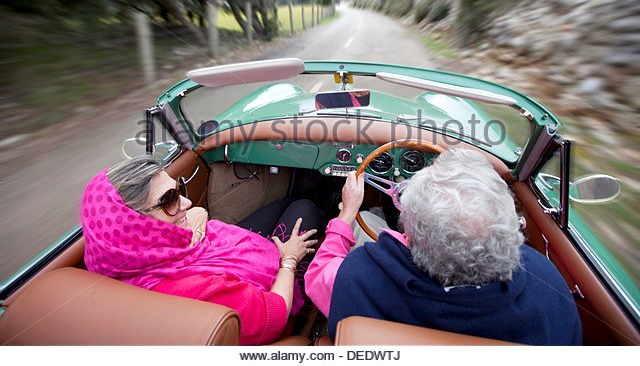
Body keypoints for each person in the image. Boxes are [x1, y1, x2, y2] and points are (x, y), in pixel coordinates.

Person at [305, 148, 582, 345]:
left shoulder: (359, 277)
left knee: (365, 219)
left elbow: (317, 278)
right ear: (510, 230)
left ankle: (371, 210)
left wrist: (346, 214)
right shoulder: (548, 287)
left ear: (409, 237)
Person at [81, 155, 320, 345]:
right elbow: (275, 314)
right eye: (169, 200)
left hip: (223, 250)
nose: (186, 203)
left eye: (178, 190)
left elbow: (195, 215)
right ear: (134, 226)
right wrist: (289, 259)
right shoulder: (196, 291)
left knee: (289, 203)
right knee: (305, 208)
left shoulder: (122, 258)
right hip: (274, 299)